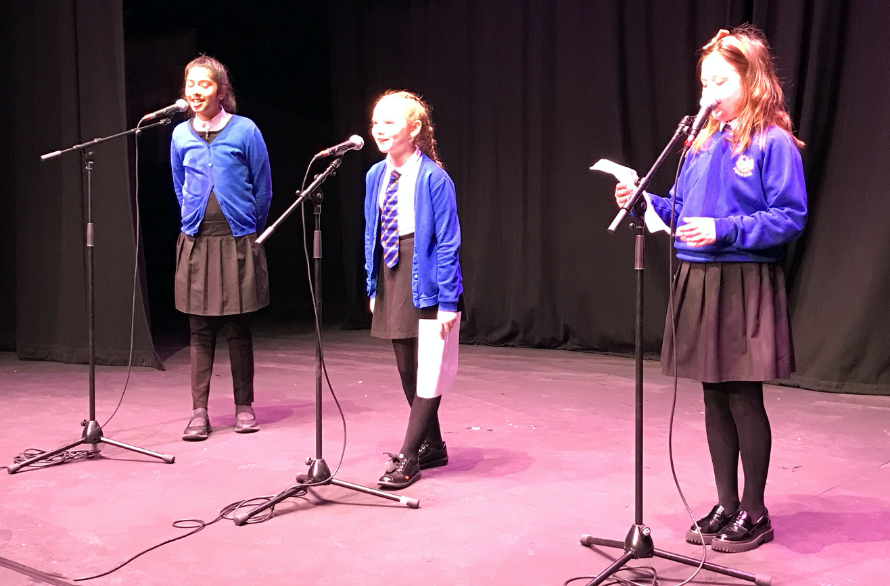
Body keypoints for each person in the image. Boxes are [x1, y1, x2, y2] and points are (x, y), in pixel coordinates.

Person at [614, 26, 807, 552]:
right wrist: (644, 200)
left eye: (720, 82)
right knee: (712, 396)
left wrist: (727, 230)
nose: (709, 94)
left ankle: (756, 510)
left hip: (743, 278)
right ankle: (725, 502)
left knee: (743, 396)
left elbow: (790, 216)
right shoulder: (698, 145)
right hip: (696, 277)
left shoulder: (772, 141)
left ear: (752, 80)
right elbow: (681, 211)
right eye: (704, 84)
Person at [364, 90, 463, 490]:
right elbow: (371, 232)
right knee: (408, 369)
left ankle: (409, 456)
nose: (379, 130)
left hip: (426, 275)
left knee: (429, 368)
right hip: (392, 271)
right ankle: (433, 444)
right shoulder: (375, 175)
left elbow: (448, 242)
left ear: (415, 129)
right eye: (375, 123)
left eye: (389, 122)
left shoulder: (434, 178)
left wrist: (448, 301)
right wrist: (372, 283)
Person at [170, 55, 273, 441]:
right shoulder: (180, 135)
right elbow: (179, 184)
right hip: (197, 240)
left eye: (205, 84)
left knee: (237, 327)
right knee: (199, 331)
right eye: (191, 84)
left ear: (221, 90)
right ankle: (199, 412)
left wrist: (248, 229)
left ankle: (244, 407)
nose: (196, 91)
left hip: (236, 240)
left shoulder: (245, 130)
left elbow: (263, 188)